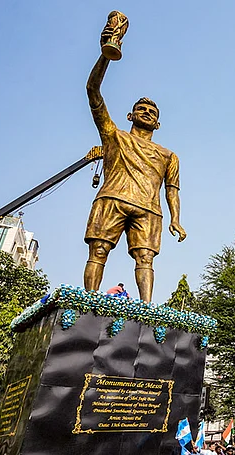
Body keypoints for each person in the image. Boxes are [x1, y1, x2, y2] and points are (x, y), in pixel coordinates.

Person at [84, 45, 186, 303]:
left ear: (158, 124)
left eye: (152, 112)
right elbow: (93, 92)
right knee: (99, 250)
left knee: (146, 258)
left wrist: (176, 219)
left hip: (149, 209)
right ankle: (88, 302)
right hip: (113, 198)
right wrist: (105, 57)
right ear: (130, 115)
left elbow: (171, 189)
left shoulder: (168, 155)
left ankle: (146, 308)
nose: (147, 112)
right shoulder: (113, 136)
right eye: (142, 109)